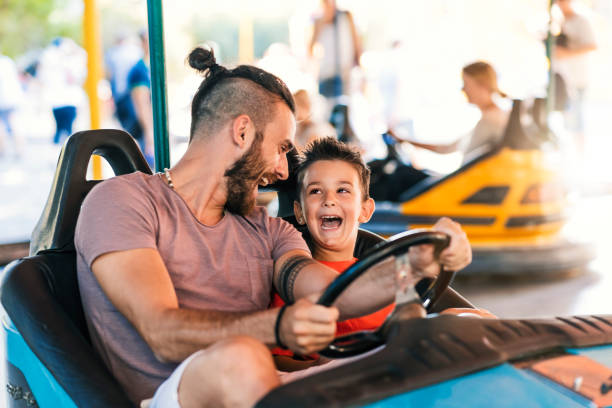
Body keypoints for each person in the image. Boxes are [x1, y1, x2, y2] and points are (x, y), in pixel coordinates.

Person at [74, 46, 472, 407]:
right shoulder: (124, 201)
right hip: (175, 397)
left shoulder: (267, 230)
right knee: (241, 358)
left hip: (268, 390)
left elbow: (335, 292)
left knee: (456, 330)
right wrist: (277, 327)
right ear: (242, 131)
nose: (284, 169)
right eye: (282, 147)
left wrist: (418, 263)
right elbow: (160, 331)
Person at [271, 137, 490, 371]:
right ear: (300, 212)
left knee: (476, 318)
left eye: (342, 190)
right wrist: (326, 364)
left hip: (410, 367)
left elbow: (412, 313)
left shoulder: (384, 269)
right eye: (316, 191)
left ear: (365, 210)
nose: (329, 201)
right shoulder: (296, 282)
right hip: (356, 382)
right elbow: (278, 361)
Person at [403, 61, 509, 164]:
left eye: (466, 84)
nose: (463, 89)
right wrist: (405, 140)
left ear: (481, 85)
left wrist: (404, 140)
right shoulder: (494, 117)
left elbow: (448, 149)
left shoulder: (492, 120)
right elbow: (446, 148)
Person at [553, 0, 596, 155]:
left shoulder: (582, 21)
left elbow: (592, 46)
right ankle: (570, 153)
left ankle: (580, 154)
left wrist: (567, 53)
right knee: (566, 117)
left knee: (576, 117)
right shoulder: (558, 21)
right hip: (561, 78)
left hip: (577, 78)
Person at [309, 0, 361, 105]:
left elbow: (356, 41)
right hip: (327, 73)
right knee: (327, 106)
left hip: (345, 73)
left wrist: (358, 63)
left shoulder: (346, 16)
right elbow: (310, 47)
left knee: (345, 106)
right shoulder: (318, 20)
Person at [38, 37, 86, 145]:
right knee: (65, 129)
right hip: (64, 99)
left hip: (64, 100)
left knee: (62, 129)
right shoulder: (55, 58)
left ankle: (64, 152)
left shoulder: (71, 59)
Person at [124, 30, 155, 166]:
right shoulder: (139, 70)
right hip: (144, 128)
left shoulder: (149, 68)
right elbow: (141, 104)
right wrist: (149, 133)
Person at [0, 52, 24, 158]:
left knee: (2, 126)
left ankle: (2, 150)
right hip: (13, 97)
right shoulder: (8, 61)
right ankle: (19, 149)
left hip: (3, 98)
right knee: (15, 122)